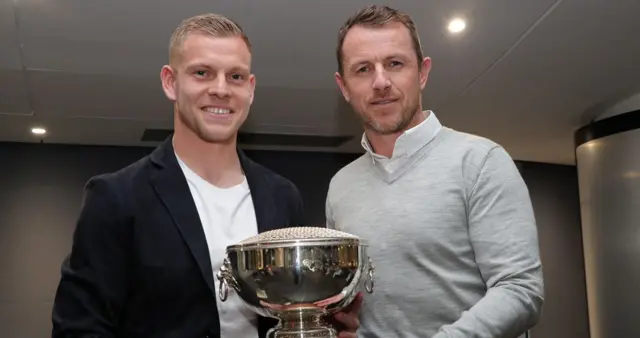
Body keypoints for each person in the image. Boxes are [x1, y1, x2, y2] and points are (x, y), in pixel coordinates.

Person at [51, 13, 361, 338]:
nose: (221, 89)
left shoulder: (281, 197)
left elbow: (294, 312)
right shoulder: (116, 197)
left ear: (251, 89)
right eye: (202, 73)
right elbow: (78, 328)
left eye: (236, 77)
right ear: (170, 82)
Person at [325, 5, 544, 338]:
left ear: (422, 73)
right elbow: (353, 305)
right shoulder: (340, 187)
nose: (381, 82)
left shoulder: (481, 161)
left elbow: (520, 289)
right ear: (344, 87)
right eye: (363, 69)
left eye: (395, 64)